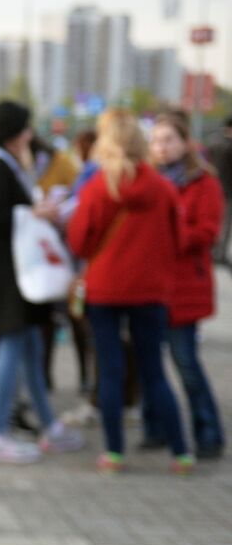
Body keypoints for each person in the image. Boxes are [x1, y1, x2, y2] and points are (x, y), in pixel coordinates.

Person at [0, 101, 82, 464]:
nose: (30, 136)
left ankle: (48, 425)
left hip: (8, 277)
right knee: (13, 351)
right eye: (26, 129)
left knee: (30, 348)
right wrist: (34, 212)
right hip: (6, 279)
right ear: (15, 132)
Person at [68, 109, 189, 474]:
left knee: (110, 370)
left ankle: (115, 453)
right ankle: (182, 453)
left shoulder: (97, 188)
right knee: (154, 371)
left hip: (105, 288)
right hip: (150, 291)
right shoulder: (164, 188)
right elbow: (179, 239)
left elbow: (79, 241)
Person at [149, 112, 224, 459]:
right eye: (156, 140)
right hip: (150, 286)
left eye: (169, 140)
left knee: (186, 364)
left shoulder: (203, 182)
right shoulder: (147, 180)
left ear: (185, 143)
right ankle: (158, 428)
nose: (161, 148)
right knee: (150, 363)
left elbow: (207, 231)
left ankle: (208, 431)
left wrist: (168, 235)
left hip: (183, 286)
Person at [211, 115, 232, 266]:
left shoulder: (213, 142)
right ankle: (220, 253)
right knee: (225, 224)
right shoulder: (229, 146)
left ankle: (214, 251)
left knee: (216, 222)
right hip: (227, 189)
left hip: (213, 188)